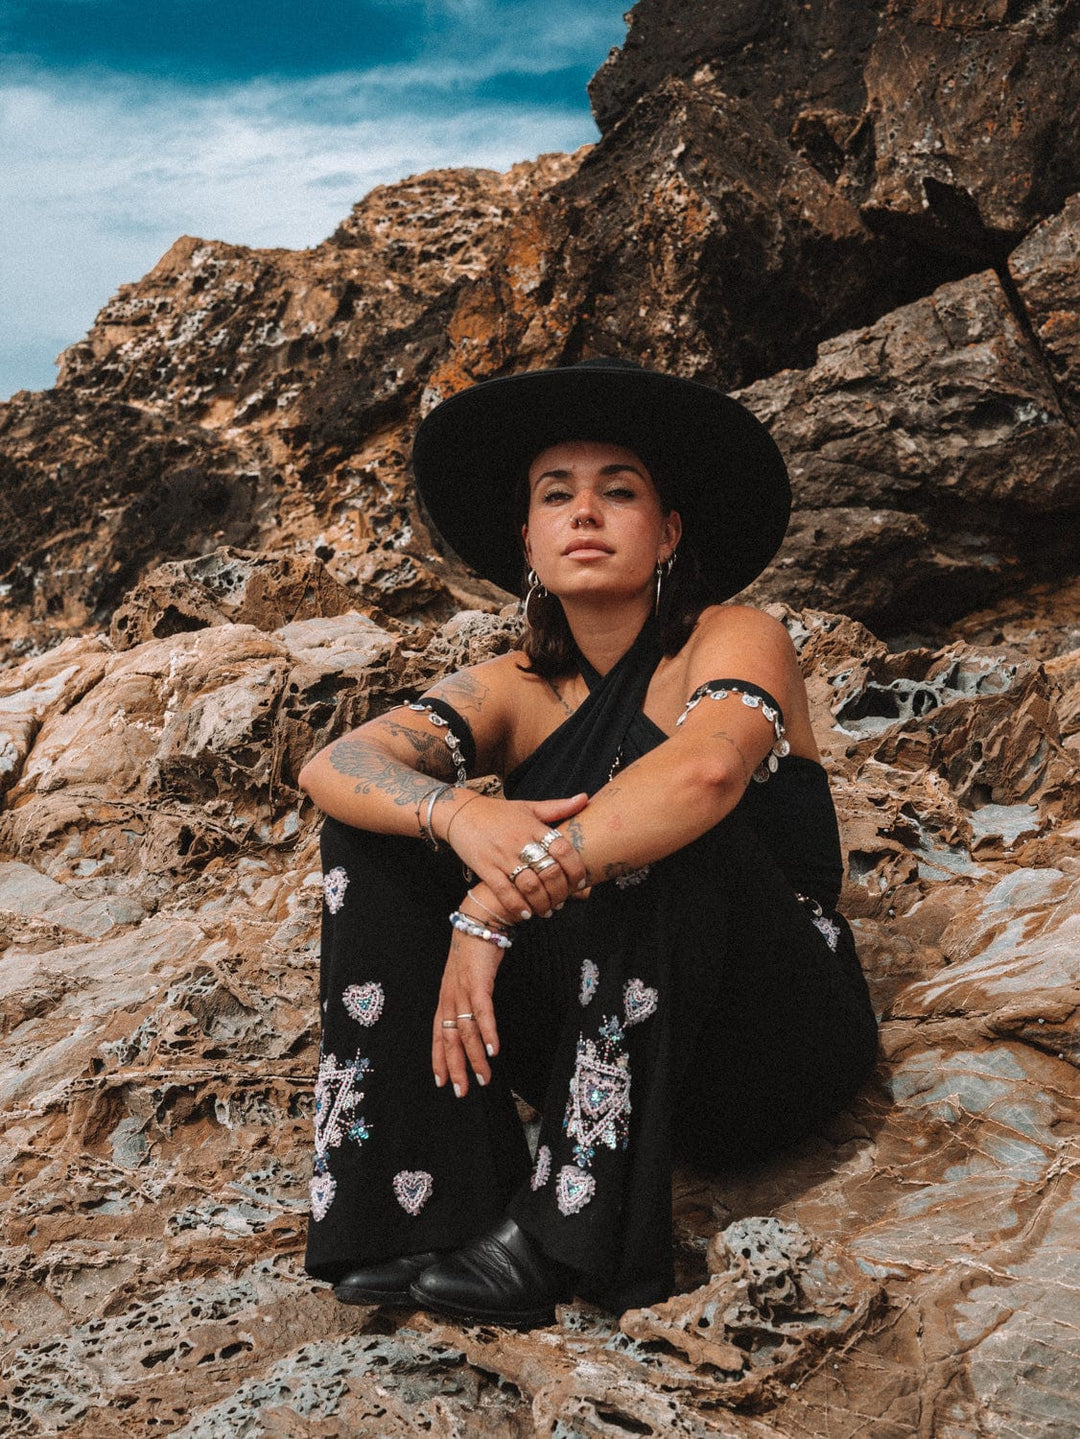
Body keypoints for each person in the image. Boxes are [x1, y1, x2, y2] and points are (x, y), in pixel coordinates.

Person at [298, 358, 878, 1328]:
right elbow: (337, 763)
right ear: (527, 537)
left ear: (669, 531)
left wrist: (492, 902)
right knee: (372, 831)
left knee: (660, 826)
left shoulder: (735, 636)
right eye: (555, 494)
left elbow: (707, 772)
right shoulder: (518, 686)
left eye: (620, 490)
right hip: (599, 1028)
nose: (586, 513)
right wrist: (460, 814)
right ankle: (428, 1209)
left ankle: (567, 1235)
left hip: (765, 1035)